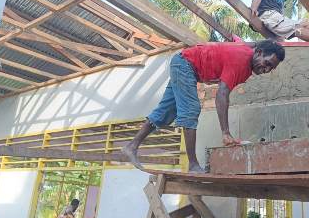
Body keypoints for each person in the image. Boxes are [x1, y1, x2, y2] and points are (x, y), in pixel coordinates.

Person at [122, 40, 285, 173]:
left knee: (166, 112)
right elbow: (222, 94)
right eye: (267, 63)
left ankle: (131, 146)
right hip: (185, 65)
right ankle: (193, 164)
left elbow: (248, 43)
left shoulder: (249, 55)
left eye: (271, 68)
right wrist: (225, 133)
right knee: (191, 109)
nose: (266, 69)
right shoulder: (241, 61)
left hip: (183, 64)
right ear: (260, 53)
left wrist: (265, 42)